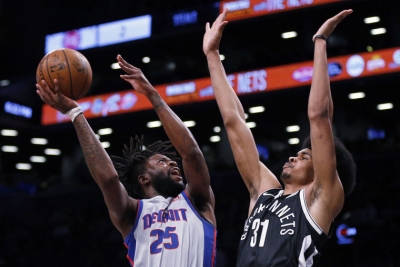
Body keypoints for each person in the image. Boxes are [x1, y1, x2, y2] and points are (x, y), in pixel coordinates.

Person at [203, 8, 356, 266]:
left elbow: (319, 116)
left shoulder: (320, 197)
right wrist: (212, 55)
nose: (293, 157)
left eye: (304, 156)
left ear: (322, 168)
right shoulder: (264, 192)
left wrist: (320, 41)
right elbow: (234, 122)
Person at [35, 55, 217, 267]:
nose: (173, 163)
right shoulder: (132, 214)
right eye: (162, 161)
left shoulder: (198, 201)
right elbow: (109, 179)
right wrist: (75, 113)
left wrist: (153, 94)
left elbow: (191, 153)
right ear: (143, 178)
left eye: (170, 161)